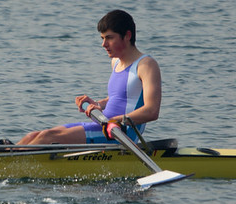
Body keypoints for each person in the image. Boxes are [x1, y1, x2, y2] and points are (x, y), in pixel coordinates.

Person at [16, 9, 161, 145]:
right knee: (33, 136)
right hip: (104, 125)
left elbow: (151, 111)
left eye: (109, 38)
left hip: (121, 133)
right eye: (103, 38)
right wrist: (99, 105)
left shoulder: (146, 65)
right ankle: (2, 161)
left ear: (127, 36)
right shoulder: (115, 62)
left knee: (48, 137)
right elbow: (126, 97)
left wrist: (118, 120)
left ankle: (10, 168)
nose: (104, 44)